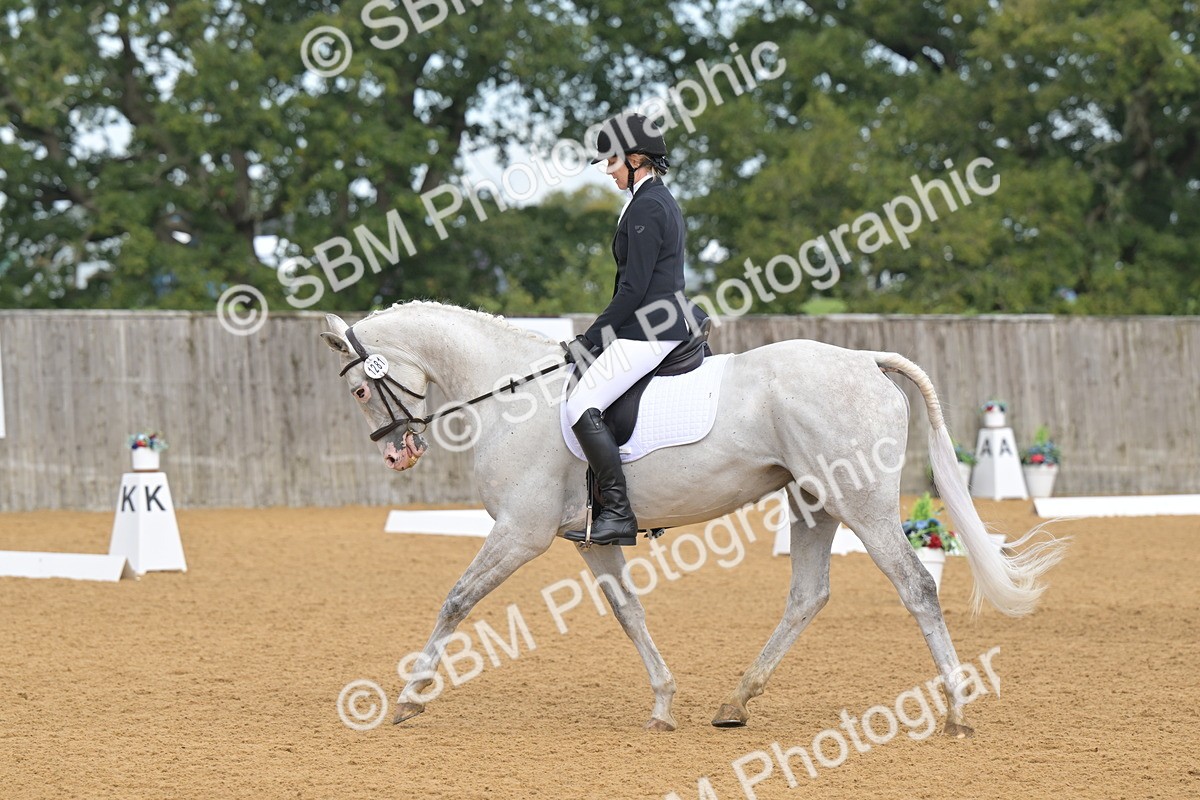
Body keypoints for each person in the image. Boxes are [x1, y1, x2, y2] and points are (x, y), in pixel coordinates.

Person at [563, 113, 702, 546]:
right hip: (654, 324)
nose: (608, 171)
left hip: (651, 330)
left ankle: (619, 513)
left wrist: (591, 339)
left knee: (580, 405)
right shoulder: (654, 200)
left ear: (637, 158)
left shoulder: (646, 207)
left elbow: (632, 289)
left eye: (612, 162)